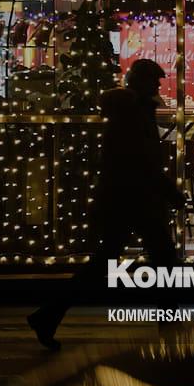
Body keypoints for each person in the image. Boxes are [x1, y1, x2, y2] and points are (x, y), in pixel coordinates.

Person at [27, 59, 182, 350]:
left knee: (109, 262)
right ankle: (170, 326)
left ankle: (48, 315)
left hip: (124, 199)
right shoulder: (135, 115)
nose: (158, 86)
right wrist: (168, 191)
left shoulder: (128, 112)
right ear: (142, 82)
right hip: (135, 200)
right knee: (161, 260)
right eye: (154, 80)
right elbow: (143, 161)